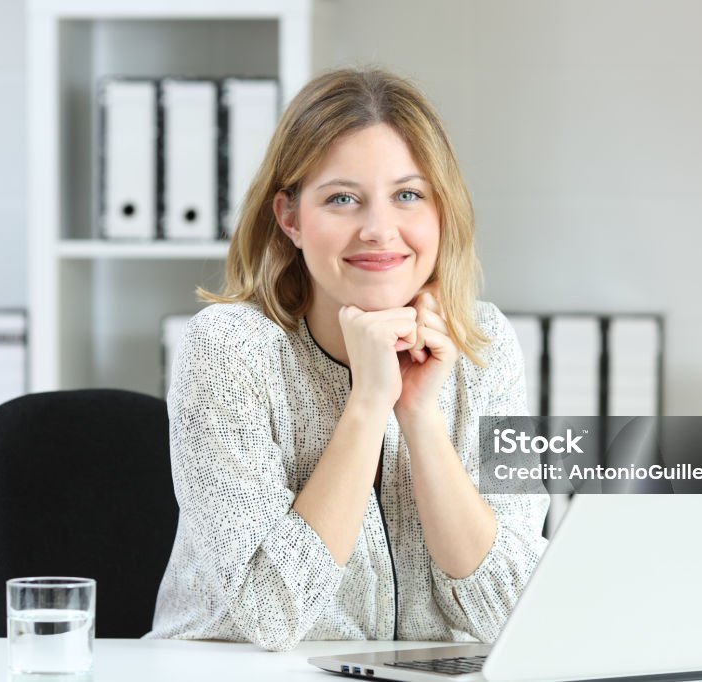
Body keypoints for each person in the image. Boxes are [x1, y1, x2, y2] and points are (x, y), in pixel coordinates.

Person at [145, 67, 549, 652]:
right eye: (342, 199)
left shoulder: (484, 340)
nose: (379, 231)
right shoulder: (229, 349)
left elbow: (517, 615)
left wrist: (420, 416)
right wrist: (367, 405)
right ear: (290, 219)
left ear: (441, 212)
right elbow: (269, 612)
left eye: (407, 195)